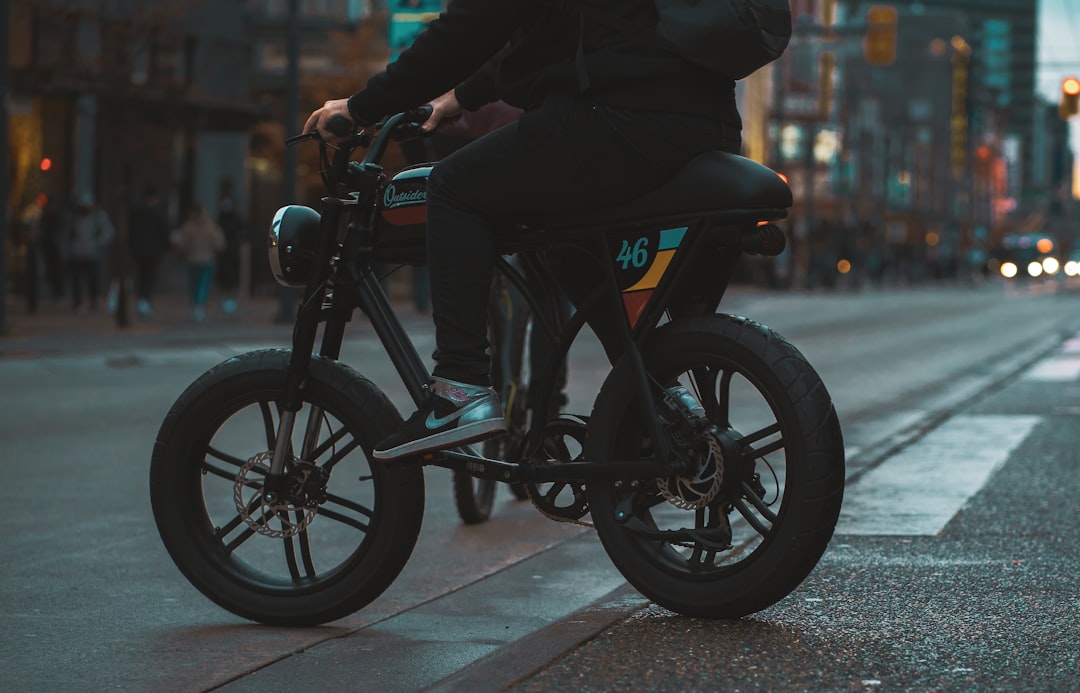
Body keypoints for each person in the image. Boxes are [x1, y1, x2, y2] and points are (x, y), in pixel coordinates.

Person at [304, 0, 742, 461]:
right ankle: (660, 391)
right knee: (567, 244)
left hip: (617, 118)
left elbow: (471, 26)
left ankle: (460, 389)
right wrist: (459, 98)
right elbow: (559, 33)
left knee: (452, 187)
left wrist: (359, 108)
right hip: (704, 123)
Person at [172, 204, 225, 322]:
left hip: (194, 258)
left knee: (195, 284)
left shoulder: (189, 227)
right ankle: (199, 306)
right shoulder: (211, 227)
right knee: (202, 284)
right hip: (206, 258)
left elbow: (182, 243)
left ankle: (197, 305)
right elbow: (219, 244)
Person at [64, 191, 116, 314]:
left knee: (93, 279)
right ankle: (77, 303)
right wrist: (68, 250)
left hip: (93, 255)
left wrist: (97, 243)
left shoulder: (99, 216)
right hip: (77, 254)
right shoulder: (74, 217)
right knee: (76, 280)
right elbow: (66, 235)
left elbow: (109, 232)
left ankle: (94, 301)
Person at [127, 185, 172, 319]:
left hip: (139, 250)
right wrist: (168, 246)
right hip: (153, 250)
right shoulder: (157, 213)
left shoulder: (135, 212)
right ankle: (145, 302)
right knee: (149, 277)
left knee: (142, 276)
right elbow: (165, 231)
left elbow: (131, 231)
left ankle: (142, 302)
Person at [216, 183, 245, 314]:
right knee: (224, 275)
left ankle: (230, 299)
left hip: (231, 251)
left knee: (231, 275)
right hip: (224, 252)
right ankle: (226, 298)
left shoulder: (235, 218)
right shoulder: (221, 217)